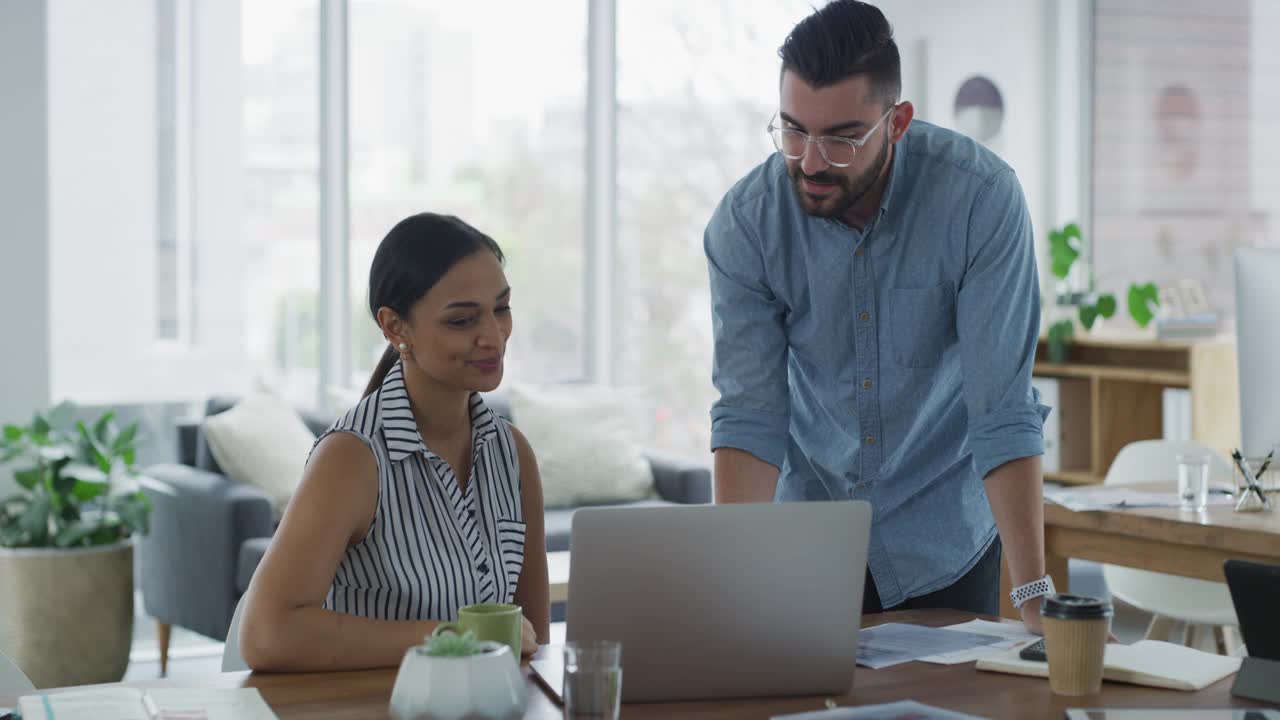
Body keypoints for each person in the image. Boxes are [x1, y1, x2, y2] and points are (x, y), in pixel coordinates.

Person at [704, 1, 1052, 632]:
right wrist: (730, 582)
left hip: (942, 540)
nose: (810, 161)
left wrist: (1032, 594)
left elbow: (1001, 410)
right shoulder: (747, 222)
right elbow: (750, 416)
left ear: (896, 123)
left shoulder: (980, 199)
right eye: (793, 131)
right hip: (805, 541)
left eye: (841, 138)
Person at [240, 213, 550, 671]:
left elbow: (533, 641)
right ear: (395, 328)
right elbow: (267, 635)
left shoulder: (513, 454)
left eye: (500, 308)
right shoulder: (352, 458)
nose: (493, 336)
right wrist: (454, 637)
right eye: (463, 320)